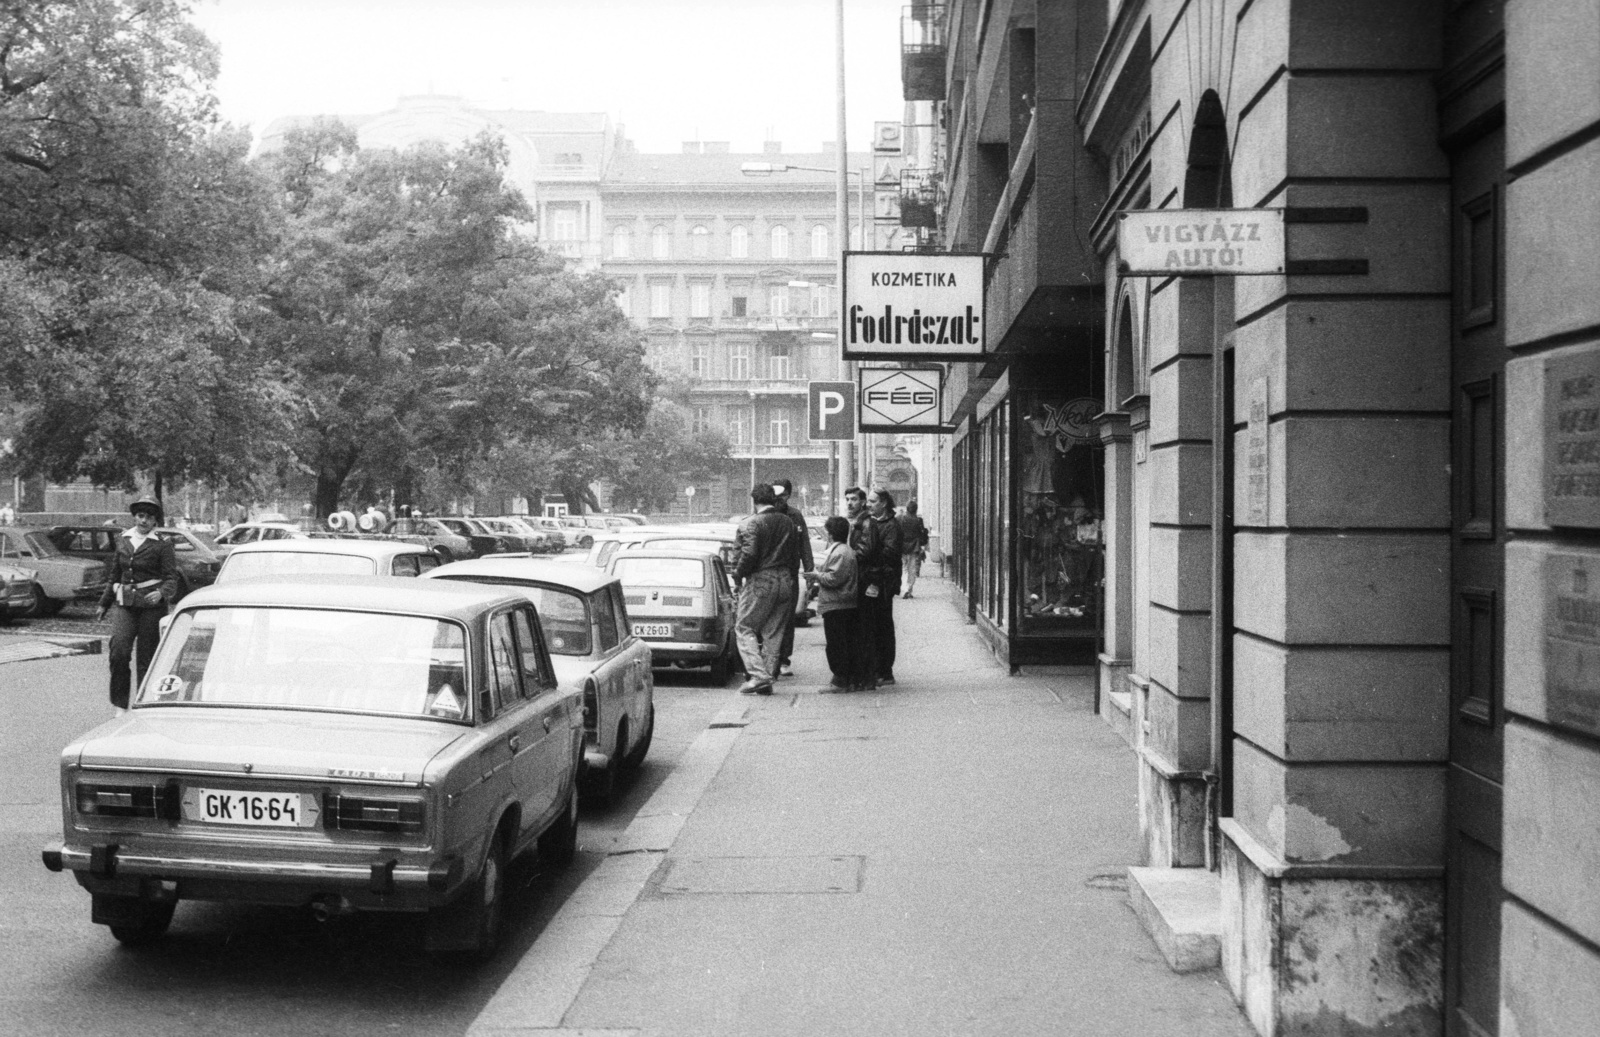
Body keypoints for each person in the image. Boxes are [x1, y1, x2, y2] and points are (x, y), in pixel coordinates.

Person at [97, 495, 179, 709]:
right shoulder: (124, 540)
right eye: (140, 516)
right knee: (119, 652)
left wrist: (162, 593)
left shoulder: (162, 544)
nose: (144, 521)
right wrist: (104, 603)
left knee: (147, 657)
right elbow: (115, 575)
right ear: (134, 517)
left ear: (155, 521)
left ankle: (143, 705)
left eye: (149, 518)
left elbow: (171, 578)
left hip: (151, 607)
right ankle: (120, 704)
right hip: (126, 605)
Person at [732, 483, 798, 695]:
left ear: (754, 501)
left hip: (761, 580)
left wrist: (738, 574)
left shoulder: (751, 523)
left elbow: (749, 554)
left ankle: (758, 675)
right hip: (785, 579)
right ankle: (767, 678)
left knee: (744, 627)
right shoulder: (788, 521)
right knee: (774, 631)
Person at [804, 516, 863, 691]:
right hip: (841, 603)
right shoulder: (844, 550)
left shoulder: (840, 552)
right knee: (842, 642)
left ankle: (840, 680)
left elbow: (834, 578)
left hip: (837, 603)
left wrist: (817, 576)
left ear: (830, 534)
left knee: (836, 644)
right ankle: (846, 679)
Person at [771, 477, 815, 677]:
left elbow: (804, 543)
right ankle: (770, 657)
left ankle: (784, 659)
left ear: (788, 495)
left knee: (788, 618)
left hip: (789, 574)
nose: (778, 498)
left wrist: (809, 571)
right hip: (769, 574)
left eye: (782, 495)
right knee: (769, 617)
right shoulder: (766, 514)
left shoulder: (795, 516)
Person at [864, 487, 904, 684]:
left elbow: (890, 554)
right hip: (875, 580)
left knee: (883, 626)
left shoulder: (891, 526)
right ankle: (878, 668)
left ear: (884, 503)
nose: (868, 505)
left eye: (872, 501)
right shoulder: (875, 523)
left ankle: (885, 671)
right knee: (875, 626)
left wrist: (869, 553)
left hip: (883, 582)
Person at [896, 500, 929, 598]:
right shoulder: (918, 520)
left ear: (907, 508)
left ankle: (904, 589)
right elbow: (922, 534)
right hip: (914, 547)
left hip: (901, 547)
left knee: (904, 568)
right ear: (916, 509)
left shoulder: (899, 518)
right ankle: (908, 589)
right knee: (912, 569)